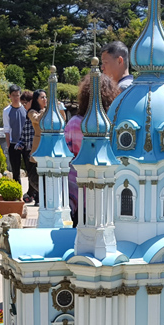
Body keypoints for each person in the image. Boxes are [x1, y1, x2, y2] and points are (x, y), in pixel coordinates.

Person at [65, 72, 119, 225]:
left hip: (77, 195)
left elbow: (65, 159)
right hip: (106, 195)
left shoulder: (74, 124)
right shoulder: (113, 126)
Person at [2, 84, 29, 196]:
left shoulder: (25, 109)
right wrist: (9, 145)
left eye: (17, 95)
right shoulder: (7, 111)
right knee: (15, 171)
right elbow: (6, 129)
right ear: (10, 96)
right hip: (14, 143)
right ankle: (18, 193)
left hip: (26, 143)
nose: (16, 98)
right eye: (13, 95)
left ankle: (30, 193)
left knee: (29, 168)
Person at [23, 89, 46, 205]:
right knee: (33, 176)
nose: (45, 99)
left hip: (48, 147)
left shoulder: (49, 111)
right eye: (42, 97)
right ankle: (38, 195)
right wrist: (45, 110)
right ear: (36, 100)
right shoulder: (31, 111)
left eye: (46, 97)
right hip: (37, 147)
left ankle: (42, 198)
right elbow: (37, 120)